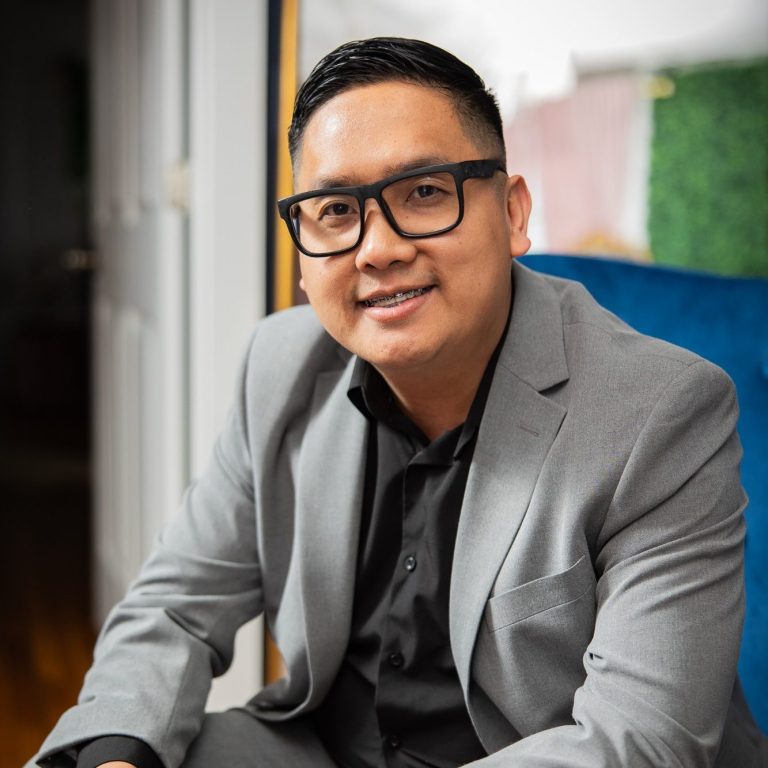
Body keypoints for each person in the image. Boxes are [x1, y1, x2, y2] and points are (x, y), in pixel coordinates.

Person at [30, 37, 765, 768]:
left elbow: (640, 743)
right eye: (334, 209)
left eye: (424, 192)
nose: (376, 249)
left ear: (513, 213)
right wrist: (117, 756)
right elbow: (175, 605)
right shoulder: (279, 366)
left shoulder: (661, 413)